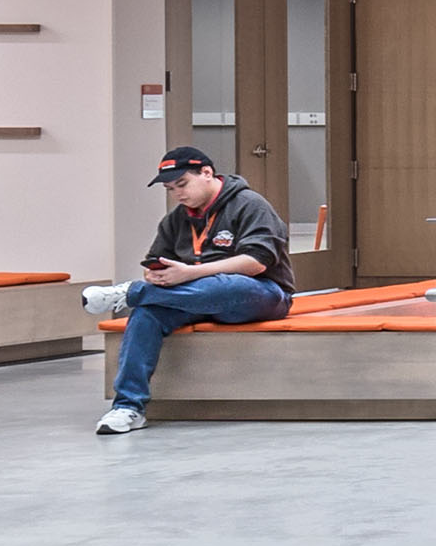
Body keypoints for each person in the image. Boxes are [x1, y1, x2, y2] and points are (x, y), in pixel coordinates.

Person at [96, 143, 291, 434]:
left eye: (183, 184)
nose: (178, 194)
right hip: (192, 298)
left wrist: (190, 273)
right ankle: (128, 407)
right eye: (171, 189)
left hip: (260, 294)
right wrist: (156, 278)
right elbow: (156, 262)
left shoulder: (250, 204)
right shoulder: (176, 219)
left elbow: (257, 263)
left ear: (207, 173)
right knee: (147, 312)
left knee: (229, 285)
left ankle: (130, 294)